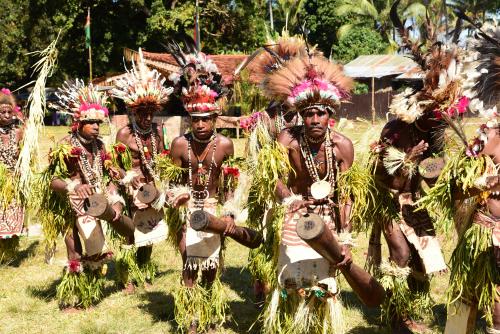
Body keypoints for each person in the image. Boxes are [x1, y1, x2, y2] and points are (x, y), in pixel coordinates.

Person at [254, 53, 384, 333]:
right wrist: (290, 200)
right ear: (301, 114)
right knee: (291, 277)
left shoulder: (342, 145)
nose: (314, 119)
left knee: (323, 282)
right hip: (294, 213)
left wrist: (346, 237)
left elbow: (348, 194)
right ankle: (291, 325)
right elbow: (274, 178)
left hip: (328, 218)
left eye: (321, 113)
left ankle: (319, 327)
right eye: (309, 113)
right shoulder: (286, 139)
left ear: (330, 115)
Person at [367, 3, 465, 331]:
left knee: (424, 260)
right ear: (422, 108)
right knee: (401, 257)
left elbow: (433, 179)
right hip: (387, 201)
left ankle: (415, 309)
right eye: (433, 115)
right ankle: (396, 319)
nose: (437, 121)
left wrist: (440, 171)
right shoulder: (395, 129)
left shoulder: (435, 134)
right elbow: (380, 176)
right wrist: (408, 161)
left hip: (415, 203)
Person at [40, 80, 133, 309]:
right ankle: (72, 299)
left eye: (98, 122)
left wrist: (122, 182)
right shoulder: (65, 146)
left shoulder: (100, 146)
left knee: (94, 250)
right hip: (68, 204)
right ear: (78, 123)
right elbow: (51, 180)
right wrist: (73, 186)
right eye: (90, 122)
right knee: (75, 252)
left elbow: (111, 173)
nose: (95, 126)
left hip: (94, 202)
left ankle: (88, 295)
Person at [166, 42, 235, 333]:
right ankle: (190, 315)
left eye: (206, 119)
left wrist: (229, 212)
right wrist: (177, 196)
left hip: (214, 207)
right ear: (189, 120)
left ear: (215, 119)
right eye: (195, 120)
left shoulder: (226, 145)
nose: (201, 125)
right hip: (186, 209)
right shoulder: (179, 145)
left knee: (211, 265)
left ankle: (208, 311)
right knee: (189, 261)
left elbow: (231, 183)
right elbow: (171, 181)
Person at [435, 24, 500, 334]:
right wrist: (479, 178)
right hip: (483, 230)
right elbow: (461, 177)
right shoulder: (489, 133)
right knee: (469, 293)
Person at [112, 49, 173, 292]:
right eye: (142, 113)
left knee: (149, 230)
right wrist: (129, 178)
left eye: (151, 112)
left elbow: (161, 160)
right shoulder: (124, 134)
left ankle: (145, 271)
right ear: (134, 111)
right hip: (129, 189)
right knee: (130, 233)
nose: (147, 117)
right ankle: (127, 277)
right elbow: (115, 165)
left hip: (151, 189)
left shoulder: (158, 132)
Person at [0, 88, 25, 264]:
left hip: (13, 180)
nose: (7, 115)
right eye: (3, 112)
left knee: (12, 216)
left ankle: (8, 252)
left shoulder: (18, 132)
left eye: (10, 111)